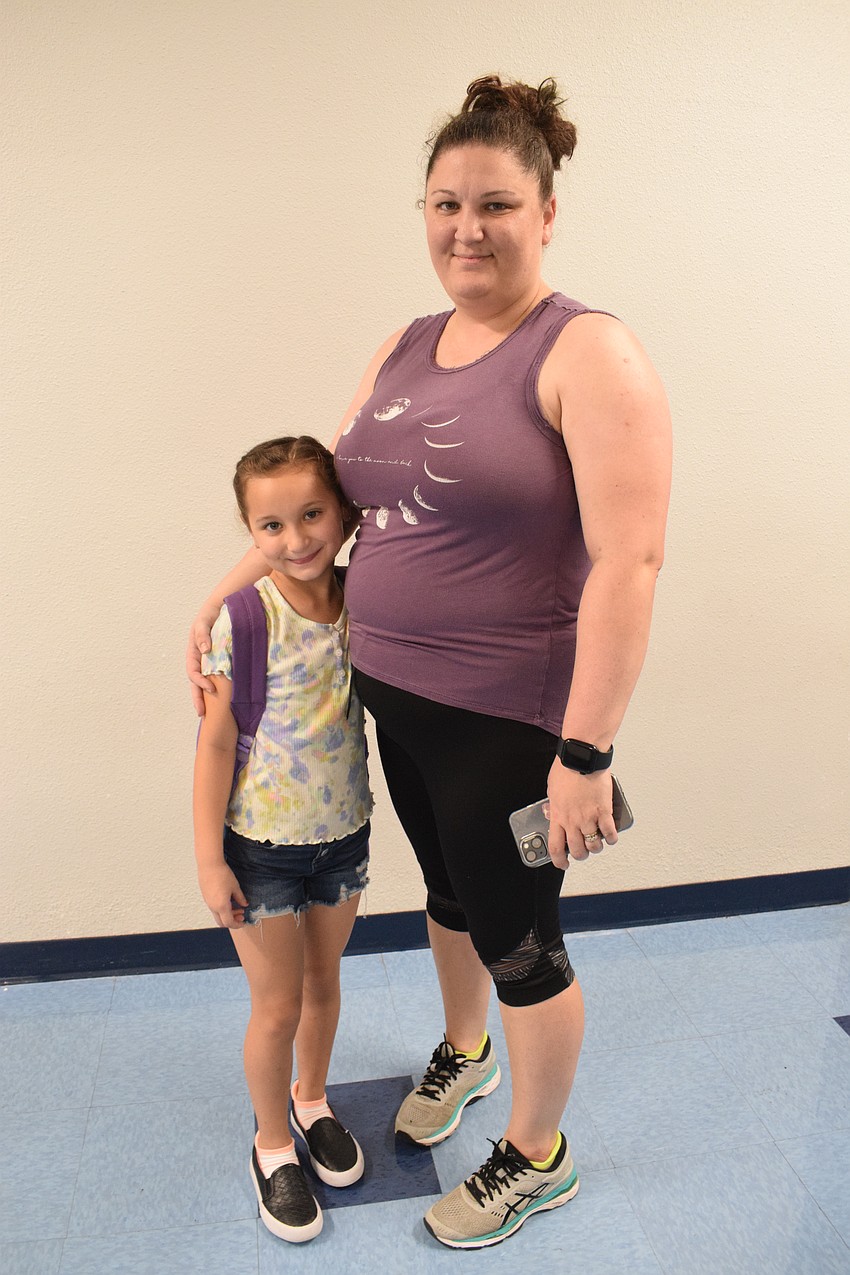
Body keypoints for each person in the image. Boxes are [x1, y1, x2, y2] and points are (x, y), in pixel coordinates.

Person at [189, 75, 671, 1250]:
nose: (468, 226)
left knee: (520, 938)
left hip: (509, 718)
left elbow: (629, 563)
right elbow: (328, 516)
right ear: (423, 210)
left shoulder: (587, 351)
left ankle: (538, 1153)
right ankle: (464, 1055)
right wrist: (221, 595)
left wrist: (584, 755)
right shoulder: (407, 345)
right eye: (446, 202)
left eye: (496, 203)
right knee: (448, 899)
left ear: (545, 211)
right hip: (390, 702)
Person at [192, 435, 373, 1245]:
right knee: (278, 1003)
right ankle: (272, 1145)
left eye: (311, 515)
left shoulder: (363, 593)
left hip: (343, 835)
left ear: (343, 512)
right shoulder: (245, 615)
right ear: (249, 531)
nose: (296, 539)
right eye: (271, 525)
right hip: (261, 847)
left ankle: (312, 1099)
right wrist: (207, 859)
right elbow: (214, 739)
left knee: (325, 983)